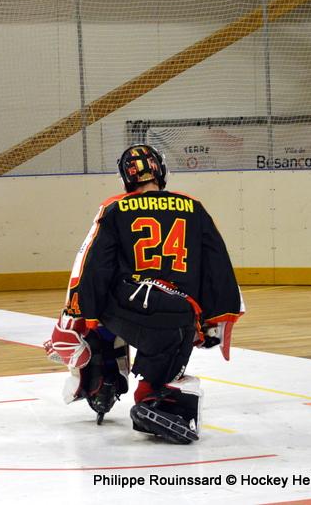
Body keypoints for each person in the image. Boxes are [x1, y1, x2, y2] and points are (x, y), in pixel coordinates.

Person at [45, 144, 243, 444]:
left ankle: (102, 378)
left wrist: (75, 319)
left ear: (126, 178)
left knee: (98, 311)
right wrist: (215, 321)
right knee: (169, 353)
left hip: (131, 309)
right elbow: (218, 266)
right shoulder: (194, 207)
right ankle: (155, 394)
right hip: (180, 317)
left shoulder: (115, 207)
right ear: (161, 171)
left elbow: (91, 266)